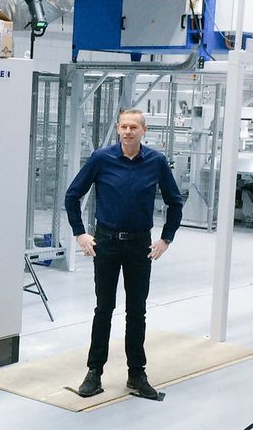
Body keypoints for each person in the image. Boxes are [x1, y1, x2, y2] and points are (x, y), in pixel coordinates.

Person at [64, 107, 185, 401]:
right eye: (124, 127)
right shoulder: (101, 159)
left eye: (134, 127)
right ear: (118, 129)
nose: (128, 131)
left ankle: (136, 374)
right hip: (106, 243)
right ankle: (94, 372)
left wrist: (166, 239)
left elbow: (175, 202)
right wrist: (80, 233)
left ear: (143, 131)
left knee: (136, 311)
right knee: (103, 309)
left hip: (140, 246)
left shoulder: (156, 162)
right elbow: (72, 195)